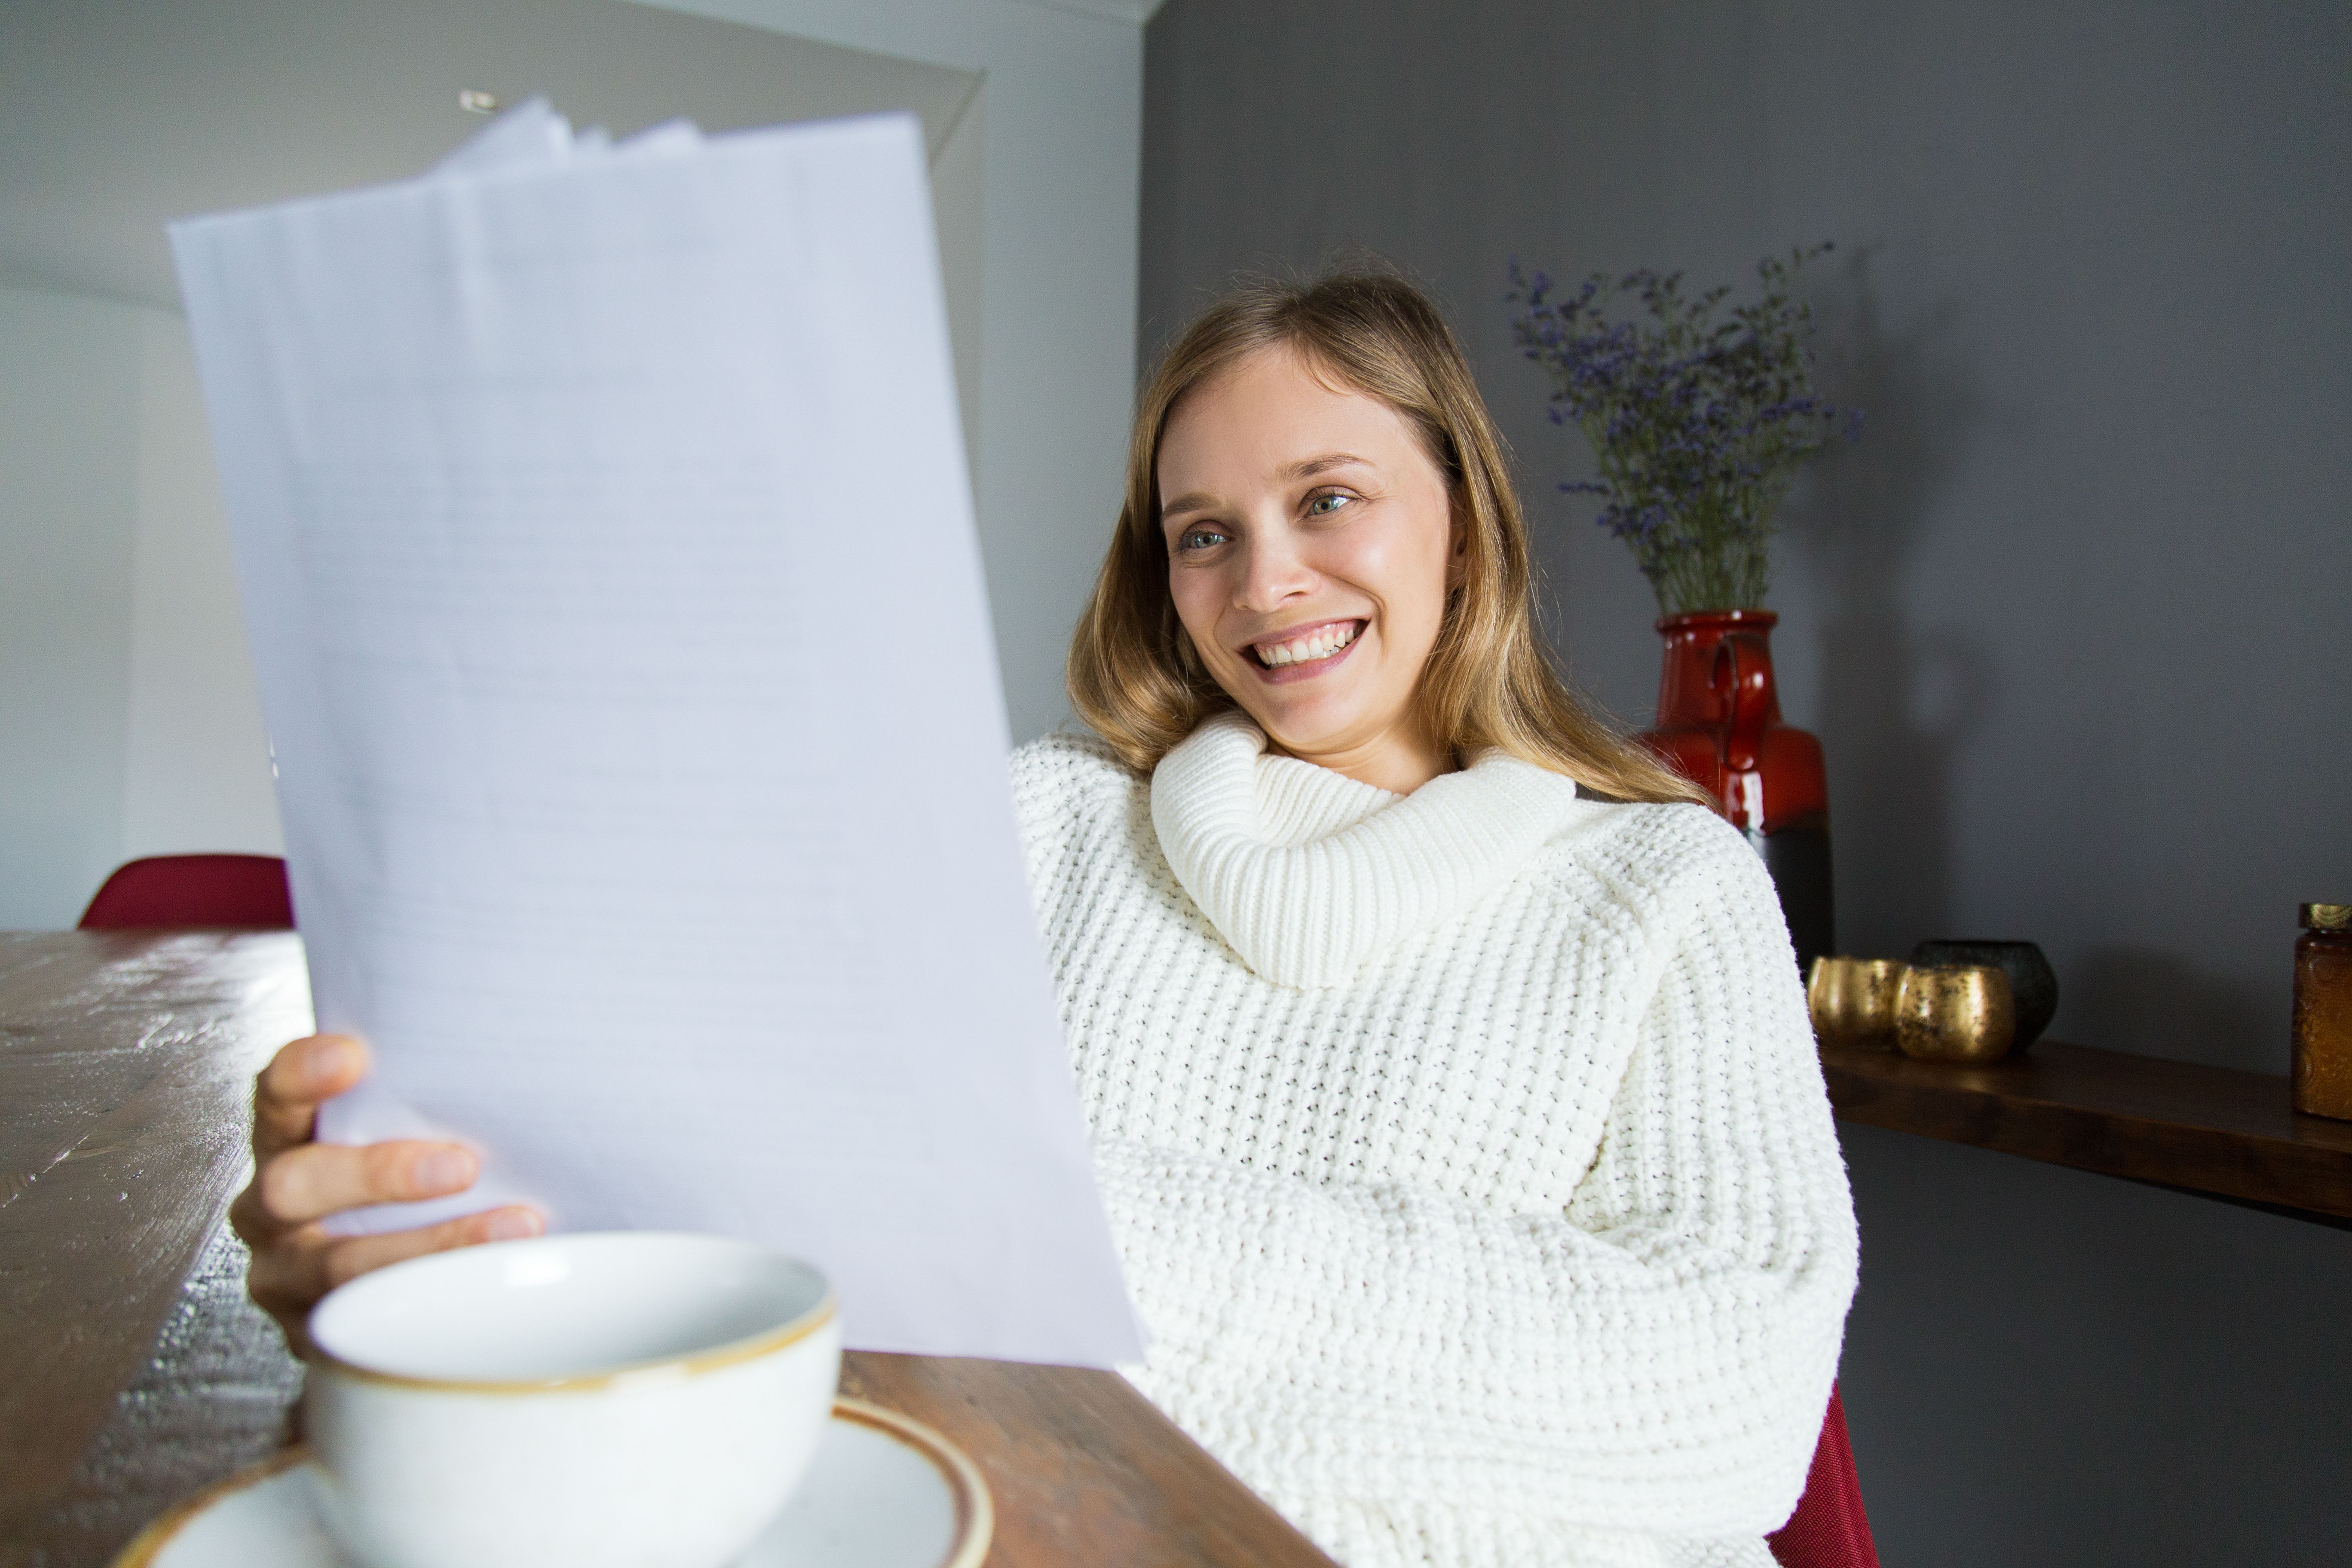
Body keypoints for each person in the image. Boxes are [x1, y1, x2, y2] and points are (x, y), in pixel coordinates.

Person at [234, 272, 1857, 1568]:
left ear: (1466, 519)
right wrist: (433, 1248)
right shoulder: (1040, 825)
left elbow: (1733, 1395)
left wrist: (1048, 1240)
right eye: (1204, 534)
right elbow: (759, 1168)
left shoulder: (1662, 886)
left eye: (1328, 499)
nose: (1264, 583)